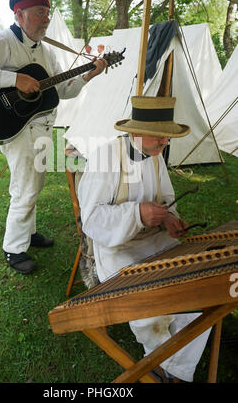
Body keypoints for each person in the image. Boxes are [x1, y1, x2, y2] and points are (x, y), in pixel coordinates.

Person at [0, 0, 107, 274]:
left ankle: (29, 233)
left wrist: (88, 75)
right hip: (15, 126)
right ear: (20, 14)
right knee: (25, 187)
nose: (46, 19)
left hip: (39, 125)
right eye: (40, 13)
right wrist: (14, 79)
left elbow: (62, 90)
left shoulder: (47, 51)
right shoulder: (2, 41)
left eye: (47, 13)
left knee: (34, 184)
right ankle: (14, 249)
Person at [78, 95, 211, 383]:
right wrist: (136, 214)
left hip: (155, 242)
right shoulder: (104, 158)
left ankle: (169, 364)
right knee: (149, 306)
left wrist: (169, 219)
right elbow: (91, 219)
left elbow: (165, 198)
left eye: (167, 138)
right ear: (137, 132)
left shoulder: (155, 157)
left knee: (197, 288)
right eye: (161, 137)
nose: (166, 143)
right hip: (118, 248)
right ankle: (171, 368)